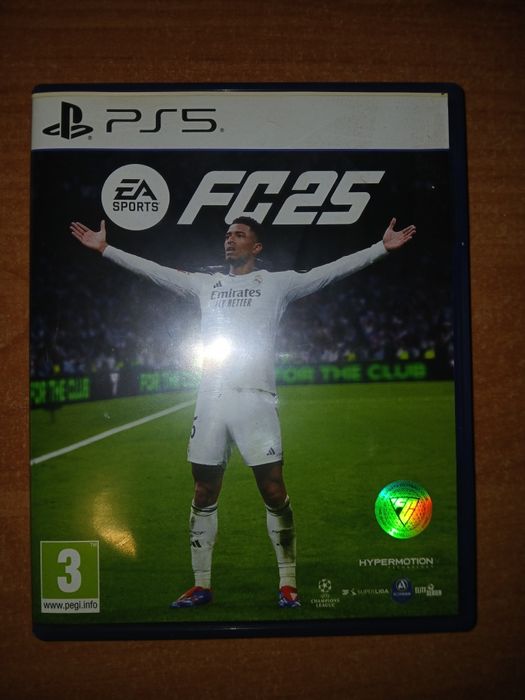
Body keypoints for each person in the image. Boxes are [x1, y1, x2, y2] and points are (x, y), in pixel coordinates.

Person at [70, 215, 415, 609]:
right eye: (227, 235)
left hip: (256, 399)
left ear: (257, 246)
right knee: (203, 490)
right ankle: (201, 585)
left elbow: (329, 272)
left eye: (239, 235)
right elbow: (156, 272)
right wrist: (106, 249)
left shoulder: (277, 283)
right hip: (211, 400)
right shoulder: (206, 284)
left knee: (273, 489)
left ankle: (288, 583)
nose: (230, 240)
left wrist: (380, 248)